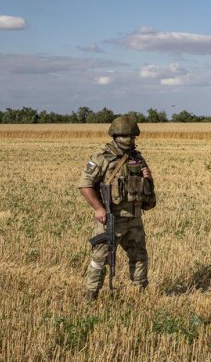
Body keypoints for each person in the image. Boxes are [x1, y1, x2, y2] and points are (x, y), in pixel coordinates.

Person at [77, 115, 156, 300]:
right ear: (115, 136)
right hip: (112, 217)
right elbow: (85, 185)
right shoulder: (101, 157)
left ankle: (140, 292)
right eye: (125, 136)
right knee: (100, 259)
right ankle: (91, 295)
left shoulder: (137, 158)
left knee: (139, 256)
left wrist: (148, 178)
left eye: (132, 136)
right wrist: (98, 208)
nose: (130, 140)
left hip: (134, 217)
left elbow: (147, 191)